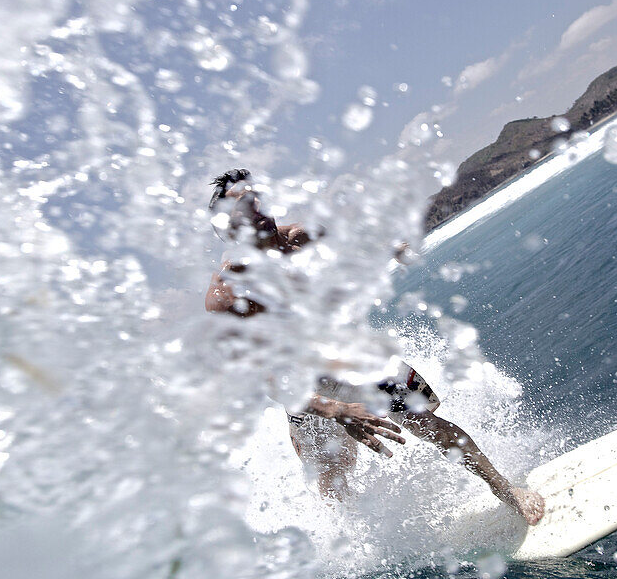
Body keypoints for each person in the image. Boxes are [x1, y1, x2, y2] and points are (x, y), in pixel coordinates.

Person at [204, 169, 544, 525]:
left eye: (256, 194)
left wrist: (392, 247)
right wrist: (336, 410)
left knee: (426, 422)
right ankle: (355, 543)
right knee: (334, 477)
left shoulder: (293, 238)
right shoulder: (228, 294)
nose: (258, 205)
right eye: (243, 204)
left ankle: (507, 492)